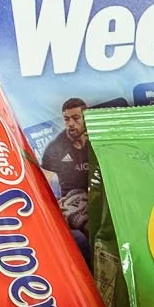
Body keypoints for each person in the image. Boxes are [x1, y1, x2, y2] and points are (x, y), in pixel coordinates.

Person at [39, 98, 92, 250]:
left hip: (100, 198)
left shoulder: (99, 140)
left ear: (86, 118)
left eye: (76, 118)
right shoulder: (56, 148)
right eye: (66, 119)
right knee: (84, 235)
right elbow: (43, 182)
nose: (70, 124)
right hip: (72, 203)